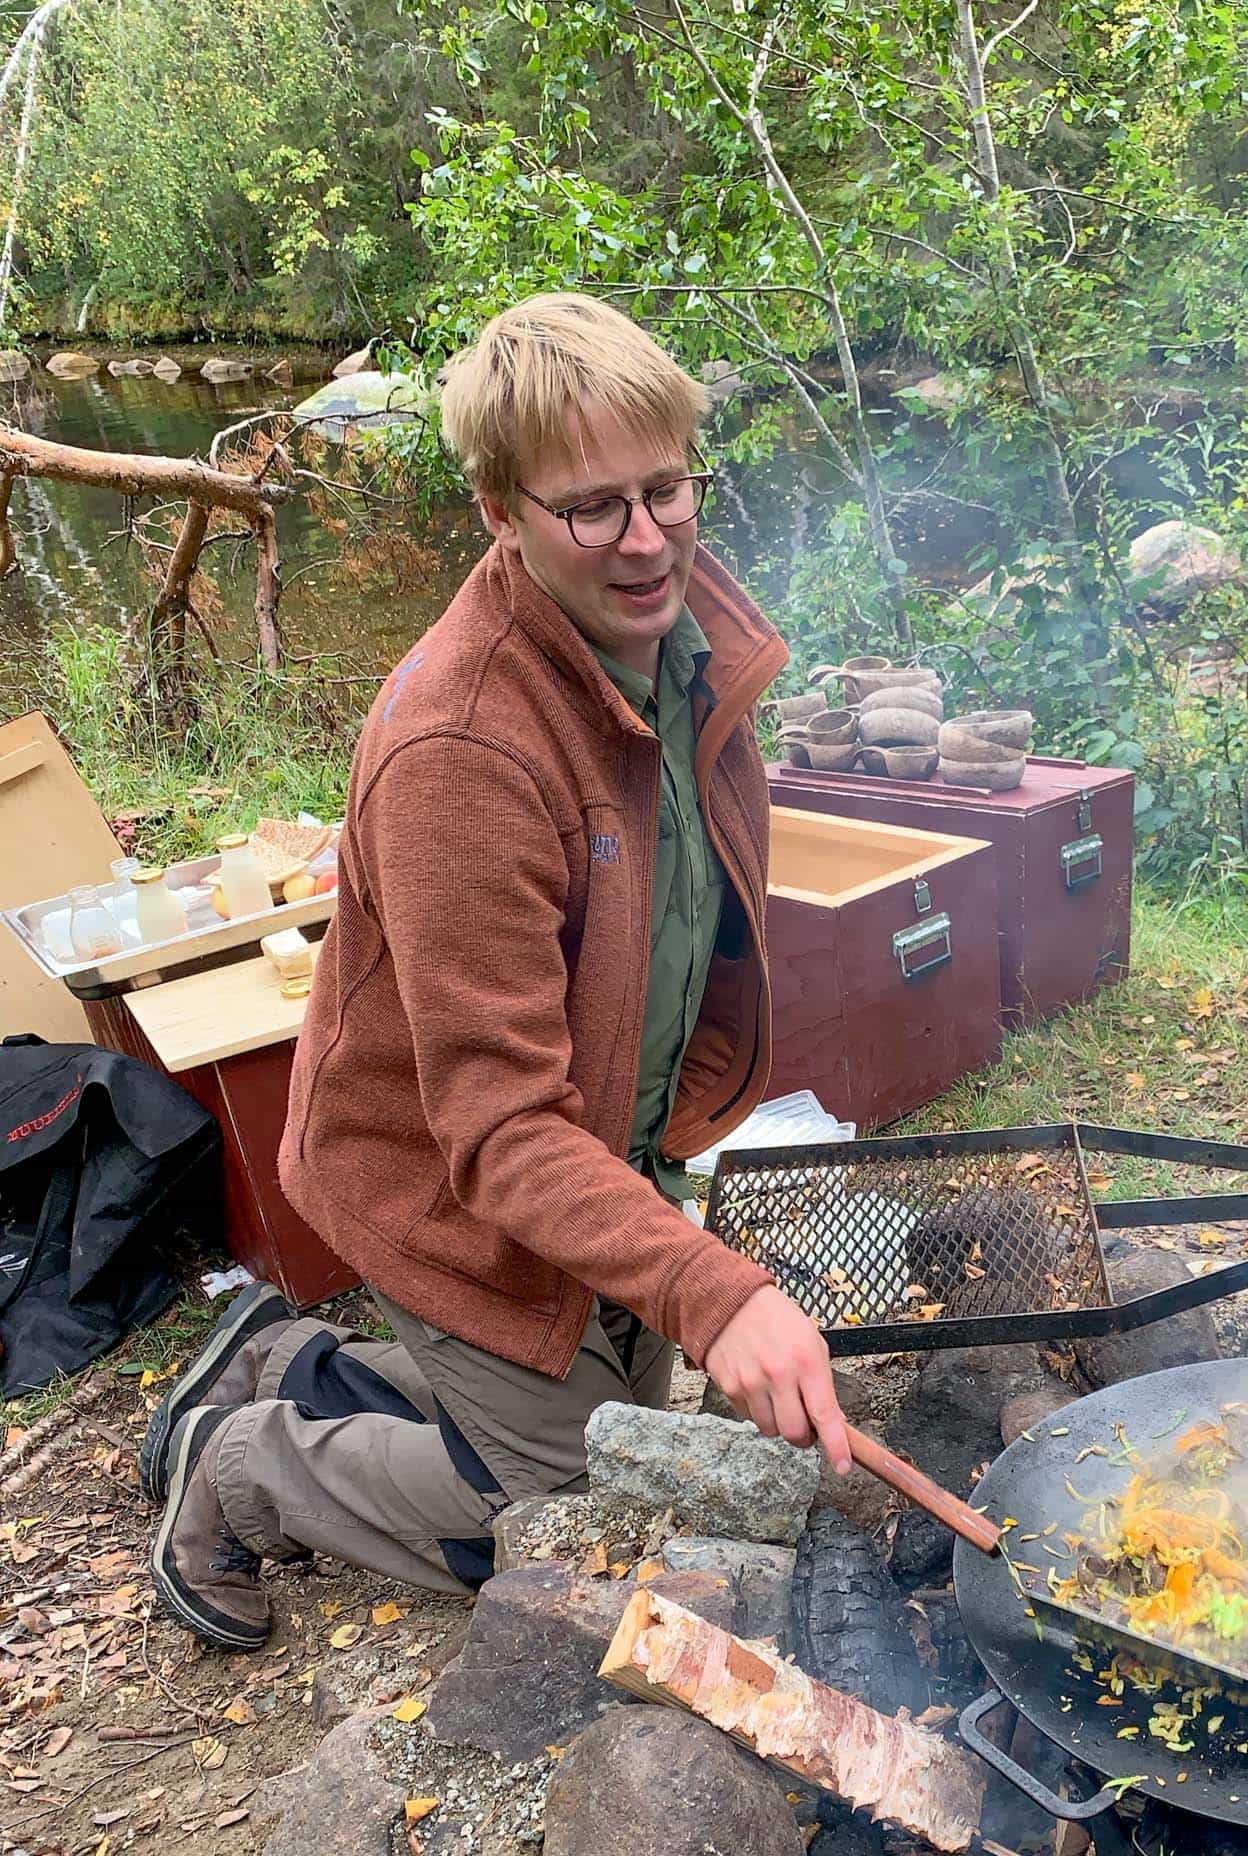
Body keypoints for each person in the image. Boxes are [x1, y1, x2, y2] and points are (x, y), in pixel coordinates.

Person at [142, 292, 851, 1651]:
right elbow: (499, 1127)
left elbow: (692, 924)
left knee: (631, 1421)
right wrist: (717, 1290)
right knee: (581, 1506)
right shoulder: (462, 751)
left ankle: (294, 1361)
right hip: (442, 1175)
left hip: (595, 1142)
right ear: (497, 510)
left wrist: (674, 1158)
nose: (646, 540)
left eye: (666, 489)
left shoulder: (687, 641)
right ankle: (243, 1470)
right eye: (591, 508)